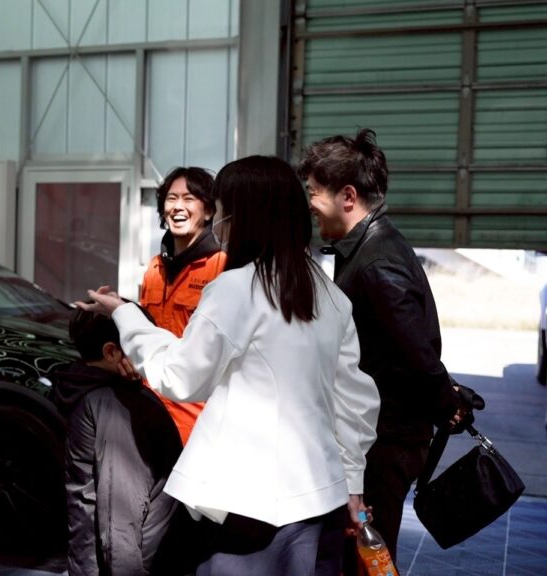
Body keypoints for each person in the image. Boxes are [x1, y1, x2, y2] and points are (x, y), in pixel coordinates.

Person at [79, 156, 381, 575]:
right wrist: (353, 485)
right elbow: (356, 405)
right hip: (320, 500)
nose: (218, 224)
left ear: (245, 217)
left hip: (247, 505)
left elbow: (181, 375)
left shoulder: (237, 288)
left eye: (221, 211)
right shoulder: (330, 297)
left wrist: (124, 315)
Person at [299, 128, 466, 563]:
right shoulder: (372, 245)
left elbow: (416, 352)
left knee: (371, 553)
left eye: (314, 191)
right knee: (366, 550)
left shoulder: (376, 263)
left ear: (347, 196)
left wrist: (446, 400)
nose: (310, 203)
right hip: (383, 435)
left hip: (385, 441)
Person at [51, 308, 185, 576]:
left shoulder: (87, 387)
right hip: (136, 562)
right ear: (111, 352)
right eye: (139, 346)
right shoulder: (114, 407)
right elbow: (120, 518)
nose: (149, 355)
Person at [141, 166, 226, 443]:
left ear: (209, 211)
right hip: (148, 408)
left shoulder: (223, 267)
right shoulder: (154, 267)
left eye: (189, 199)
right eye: (171, 198)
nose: (178, 207)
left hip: (197, 422)